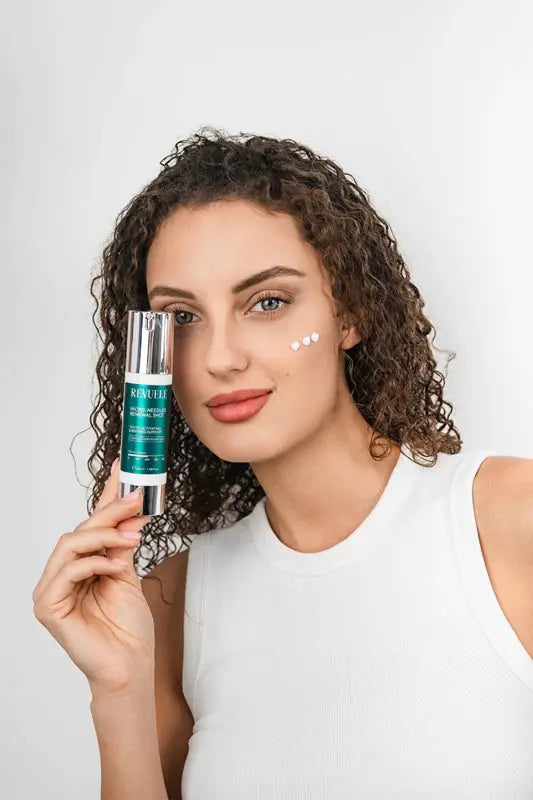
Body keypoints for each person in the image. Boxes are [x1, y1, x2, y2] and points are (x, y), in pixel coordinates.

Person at [32, 126, 533, 799]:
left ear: (350, 312)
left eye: (267, 302)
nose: (219, 358)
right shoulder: (170, 601)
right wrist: (117, 689)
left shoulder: (510, 522)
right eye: (182, 317)